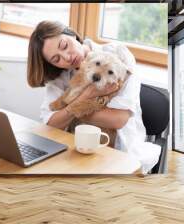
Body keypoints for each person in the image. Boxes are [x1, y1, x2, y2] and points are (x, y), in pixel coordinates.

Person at [27, 21, 160, 173]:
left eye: (64, 45)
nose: (67, 57)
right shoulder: (60, 75)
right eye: (57, 59)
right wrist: (87, 95)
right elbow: (50, 123)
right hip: (76, 149)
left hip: (119, 152)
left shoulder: (118, 55)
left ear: (71, 33)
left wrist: (68, 111)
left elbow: (118, 120)